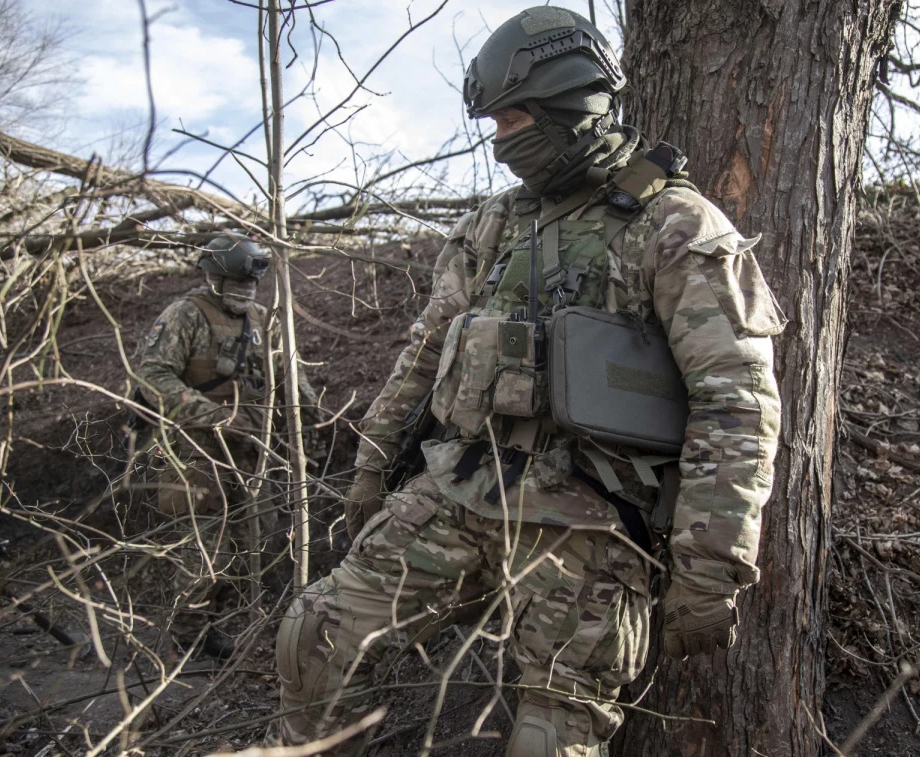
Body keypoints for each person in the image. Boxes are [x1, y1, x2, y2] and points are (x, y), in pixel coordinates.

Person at [276, 7, 786, 755]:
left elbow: (736, 401)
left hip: (593, 518)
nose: (500, 140)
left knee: (552, 736)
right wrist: (372, 462)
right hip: (461, 483)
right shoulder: (495, 224)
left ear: (567, 106)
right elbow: (424, 351)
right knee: (315, 634)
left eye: (513, 119)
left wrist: (711, 566)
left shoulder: (676, 225)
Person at [137, 232, 321, 659]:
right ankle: (188, 638)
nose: (245, 292)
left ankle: (218, 622)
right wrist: (212, 416)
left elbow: (289, 371)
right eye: (237, 283)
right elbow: (153, 376)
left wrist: (312, 414)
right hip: (197, 450)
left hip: (251, 449)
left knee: (258, 537)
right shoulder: (185, 315)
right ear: (215, 278)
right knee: (205, 549)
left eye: (251, 284)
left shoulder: (263, 320)